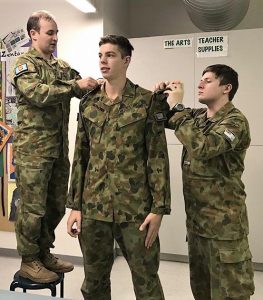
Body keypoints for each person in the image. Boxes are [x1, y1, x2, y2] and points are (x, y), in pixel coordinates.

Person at [66, 34, 171, 300]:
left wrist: (158, 209)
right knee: (93, 283)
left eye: (110, 55)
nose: (103, 61)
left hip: (135, 210)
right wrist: (75, 206)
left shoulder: (146, 101)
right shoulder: (88, 103)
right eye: (101, 55)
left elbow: (157, 157)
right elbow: (81, 156)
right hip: (94, 208)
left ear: (126, 61)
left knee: (146, 281)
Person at [12, 10, 98, 283]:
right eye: (50, 32)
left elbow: (82, 84)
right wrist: (75, 87)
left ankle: (43, 252)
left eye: (57, 32)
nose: (55, 37)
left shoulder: (60, 66)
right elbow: (38, 94)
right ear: (33, 34)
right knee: (33, 208)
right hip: (33, 151)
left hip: (58, 149)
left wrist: (97, 85)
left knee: (57, 204)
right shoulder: (24, 64)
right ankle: (29, 260)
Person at [155, 64, 255, 299]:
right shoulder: (198, 117)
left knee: (230, 294)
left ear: (226, 88)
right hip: (198, 228)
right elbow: (161, 117)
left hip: (224, 231)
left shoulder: (235, 121)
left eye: (208, 80)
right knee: (202, 292)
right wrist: (161, 97)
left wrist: (178, 107)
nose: (200, 84)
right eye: (201, 79)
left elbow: (203, 147)